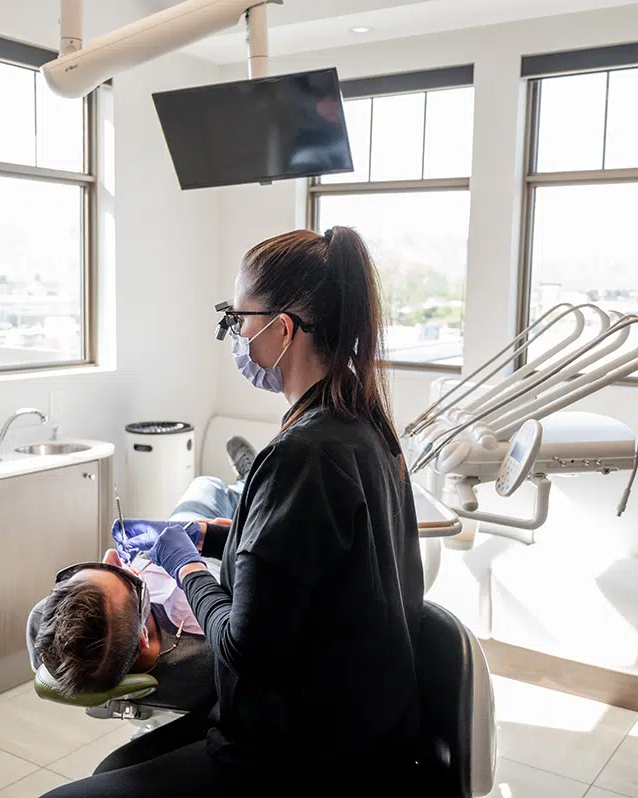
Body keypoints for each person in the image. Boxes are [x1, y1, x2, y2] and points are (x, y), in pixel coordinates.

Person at [44, 227, 424, 797]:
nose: (235, 336)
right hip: (356, 730)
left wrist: (185, 568)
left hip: (302, 757)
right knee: (107, 774)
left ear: (282, 329)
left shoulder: (305, 455)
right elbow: (306, 555)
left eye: (237, 321)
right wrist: (208, 536)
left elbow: (245, 653)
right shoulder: (362, 426)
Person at [27, 439, 257, 704]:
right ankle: (249, 480)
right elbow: (254, 553)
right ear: (144, 637)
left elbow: (44, 624)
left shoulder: (61, 626)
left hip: (171, 548)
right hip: (212, 564)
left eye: (100, 568)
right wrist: (211, 537)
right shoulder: (209, 639)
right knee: (218, 491)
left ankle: (243, 484)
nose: (112, 554)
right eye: (127, 578)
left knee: (205, 486)